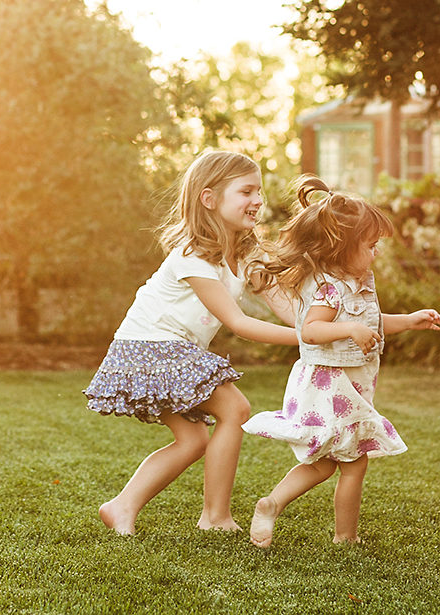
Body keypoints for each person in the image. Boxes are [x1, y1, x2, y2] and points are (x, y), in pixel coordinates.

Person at [83, 150, 299, 536]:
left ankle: (121, 507)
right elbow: (238, 322)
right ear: (210, 199)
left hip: (168, 347)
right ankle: (215, 517)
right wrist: (306, 339)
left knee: (193, 438)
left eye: (259, 192)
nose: (258, 201)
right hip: (148, 346)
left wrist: (326, 327)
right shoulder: (192, 255)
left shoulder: (245, 254)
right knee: (234, 408)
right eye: (246, 191)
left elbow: (287, 306)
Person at [242, 176, 440, 548]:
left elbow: (371, 324)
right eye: (370, 246)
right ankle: (345, 537)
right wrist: (349, 328)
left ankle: (272, 503)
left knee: (324, 463)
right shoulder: (330, 288)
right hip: (329, 387)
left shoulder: (359, 283)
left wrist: (411, 319)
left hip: (346, 388)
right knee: (354, 462)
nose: (375, 253)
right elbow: (311, 329)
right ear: (340, 249)